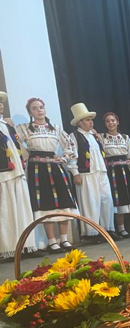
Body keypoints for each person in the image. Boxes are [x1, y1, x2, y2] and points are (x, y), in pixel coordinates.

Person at [16, 98, 78, 253]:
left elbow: (69, 145)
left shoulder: (55, 128)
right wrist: (27, 156)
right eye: (34, 108)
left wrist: (64, 158)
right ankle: (52, 241)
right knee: (46, 202)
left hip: (56, 168)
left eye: (41, 107)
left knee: (63, 201)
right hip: (38, 169)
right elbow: (14, 143)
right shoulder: (24, 128)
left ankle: (64, 239)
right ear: (30, 112)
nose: (39, 110)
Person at [68, 103, 118, 242]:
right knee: (90, 203)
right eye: (87, 120)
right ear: (79, 122)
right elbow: (72, 155)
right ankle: (92, 232)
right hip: (86, 173)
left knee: (106, 200)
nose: (91, 122)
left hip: (101, 171)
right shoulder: (74, 136)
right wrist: (75, 173)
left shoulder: (95, 135)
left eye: (91, 120)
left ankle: (108, 229)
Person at [0, 91, 40, 260]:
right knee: (6, 211)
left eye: (1, 103)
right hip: (4, 174)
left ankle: (26, 245)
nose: (0, 105)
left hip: (17, 171)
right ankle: (9, 249)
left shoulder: (7, 125)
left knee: (22, 208)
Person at [102, 112, 130, 237]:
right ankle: (121, 228)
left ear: (117, 122)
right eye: (108, 121)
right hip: (113, 171)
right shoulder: (102, 137)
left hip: (127, 170)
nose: (111, 123)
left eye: (113, 120)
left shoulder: (125, 137)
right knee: (118, 198)